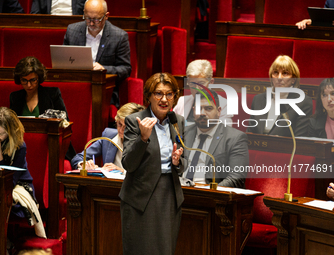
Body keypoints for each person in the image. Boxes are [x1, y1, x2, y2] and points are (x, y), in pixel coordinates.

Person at [119, 73, 185, 255]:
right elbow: (128, 164)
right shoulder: (135, 121)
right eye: (158, 93)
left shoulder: (178, 122)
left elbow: (184, 163)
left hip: (169, 195)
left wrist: (177, 161)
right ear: (148, 96)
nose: (164, 99)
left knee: (165, 250)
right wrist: (143, 138)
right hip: (141, 197)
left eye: (169, 94)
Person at [63, 0, 131, 106]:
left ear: (106, 16)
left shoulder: (119, 36)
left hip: (104, 91)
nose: (91, 23)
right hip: (76, 87)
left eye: (96, 20)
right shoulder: (72, 31)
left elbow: (125, 69)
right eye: (88, 18)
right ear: (84, 12)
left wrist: (104, 69)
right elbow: (64, 62)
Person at [10, 56, 76, 160]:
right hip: (22, 149)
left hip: (50, 148)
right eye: (24, 80)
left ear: (39, 78)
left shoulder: (52, 94)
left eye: (33, 80)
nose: (29, 85)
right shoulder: (15, 97)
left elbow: (65, 124)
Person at [183, 89, 248, 187]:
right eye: (198, 108)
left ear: (219, 111)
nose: (202, 113)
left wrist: (210, 192)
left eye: (208, 108)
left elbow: (236, 178)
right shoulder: (184, 132)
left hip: (212, 195)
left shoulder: (235, 138)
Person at [246, 55, 313, 137]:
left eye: (285, 73)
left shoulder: (303, 102)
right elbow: (250, 132)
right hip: (257, 148)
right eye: (275, 73)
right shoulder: (258, 99)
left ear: (293, 80)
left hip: (285, 149)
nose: (279, 77)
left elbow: (299, 139)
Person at [71, 102, 145, 170]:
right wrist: (84, 164)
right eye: (119, 124)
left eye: (126, 127)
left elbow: (147, 175)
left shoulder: (145, 142)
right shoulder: (109, 136)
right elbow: (78, 158)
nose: (121, 130)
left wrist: (121, 171)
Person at [173, 59, 233, 126]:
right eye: (192, 84)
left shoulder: (224, 104)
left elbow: (223, 133)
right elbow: (172, 127)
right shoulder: (182, 101)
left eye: (201, 83)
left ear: (211, 82)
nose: (197, 88)